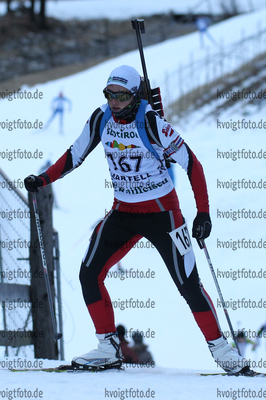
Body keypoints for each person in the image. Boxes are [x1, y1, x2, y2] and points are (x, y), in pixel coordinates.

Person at [24, 64, 250, 374]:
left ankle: (223, 352)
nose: (114, 102)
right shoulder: (101, 118)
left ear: (134, 96)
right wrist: (43, 179)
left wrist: (203, 212)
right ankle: (107, 346)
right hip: (124, 213)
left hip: (163, 214)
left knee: (188, 284)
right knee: (89, 273)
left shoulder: (152, 121)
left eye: (121, 96)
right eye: (109, 95)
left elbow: (192, 164)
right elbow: (74, 155)